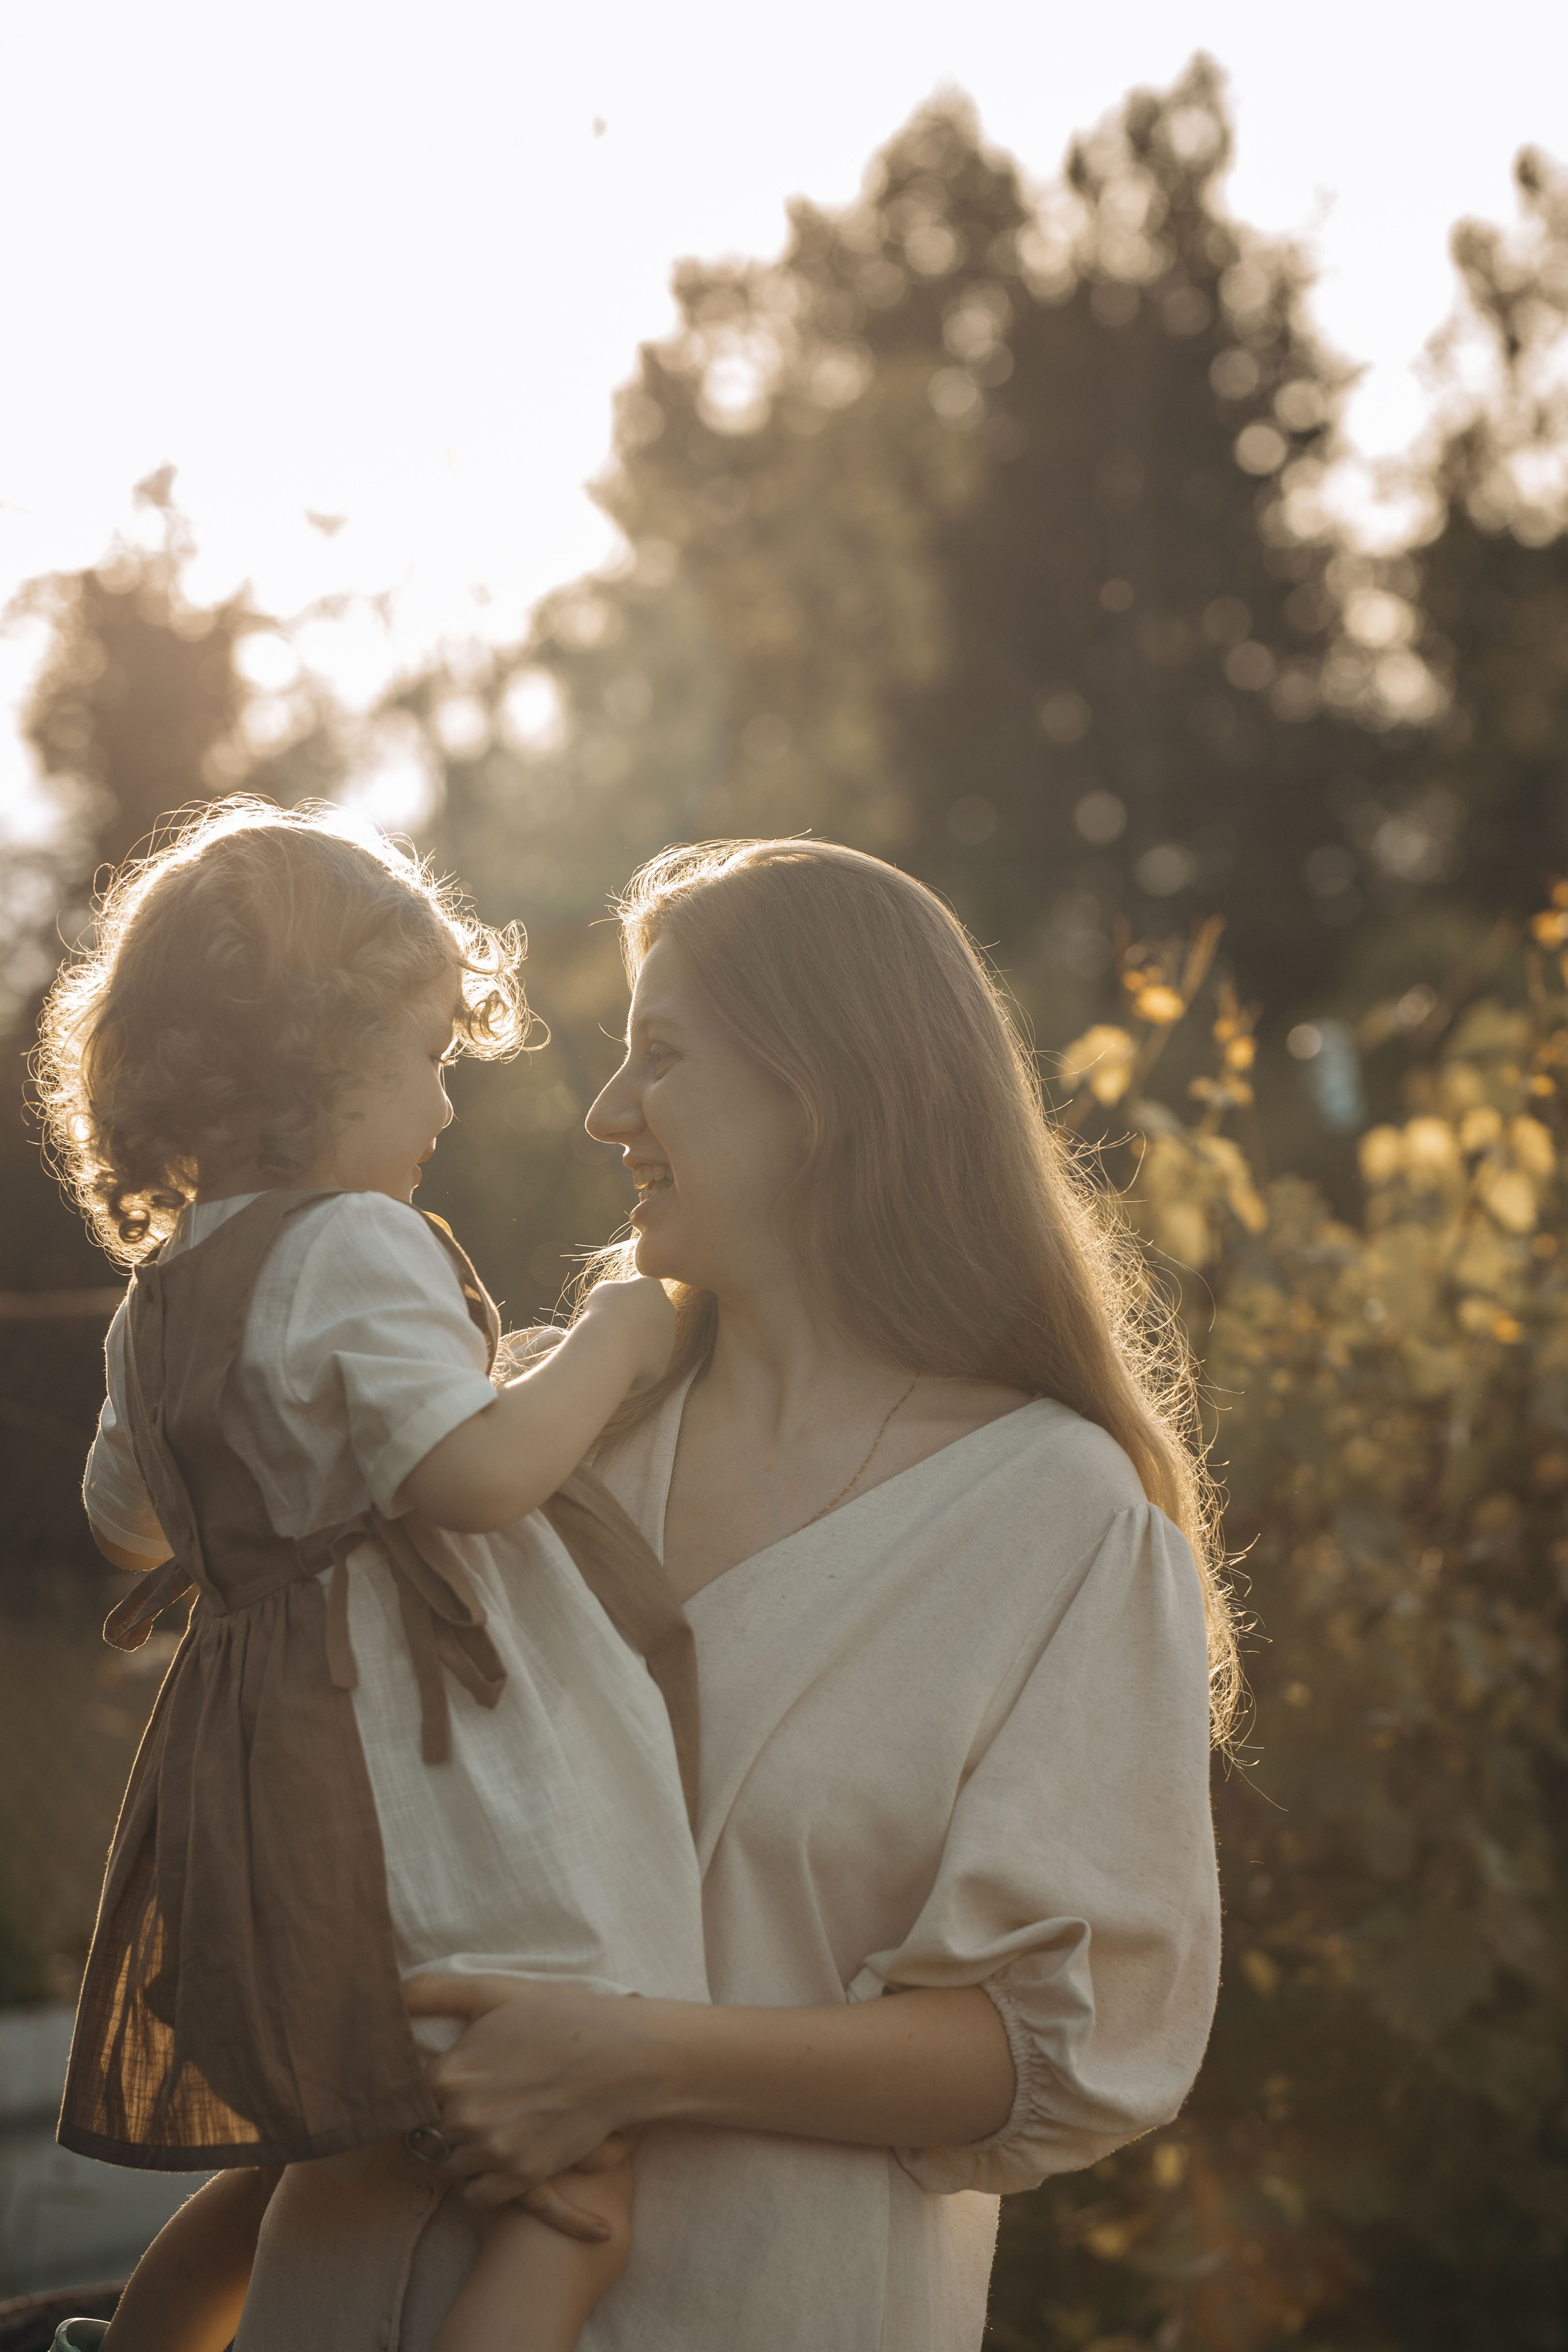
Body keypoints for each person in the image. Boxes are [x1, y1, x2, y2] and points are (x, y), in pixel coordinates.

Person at [237, 837, 1231, 2352]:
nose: (604, 1112)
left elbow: (1048, 2050)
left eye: (661, 1056)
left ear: (824, 1094)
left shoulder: (1055, 1518)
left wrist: (630, 2060)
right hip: (353, 2290)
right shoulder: (521, 1439)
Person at [34, 801, 709, 2352]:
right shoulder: (356, 1242)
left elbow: (129, 1525)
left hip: (253, 1803)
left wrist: (282, 1493)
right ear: (312, 1064)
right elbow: (472, 1478)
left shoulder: (163, 1299)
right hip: (409, 1803)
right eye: (422, 1057)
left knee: (302, 2165)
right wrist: (612, 1335)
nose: (443, 1110)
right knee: (576, 2192)